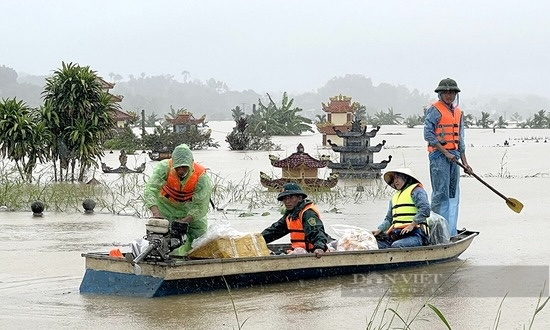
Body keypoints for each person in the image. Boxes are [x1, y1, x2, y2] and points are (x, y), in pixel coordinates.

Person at [424, 78, 473, 236]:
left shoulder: (458, 112)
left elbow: (461, 139)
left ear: (456, 94)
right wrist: (445, 152)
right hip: (439, 156)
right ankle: (437, 232)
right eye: (445, 92)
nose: (448, 95)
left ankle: (450, 231)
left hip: (455, 156)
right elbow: (428, 135)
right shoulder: (434, 110)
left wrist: (465, 163)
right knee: (440, 194)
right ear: (440, 94)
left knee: (453, 194)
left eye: (451, 92)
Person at [144, 144, 212, 256]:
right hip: (166, 210)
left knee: (200, 244)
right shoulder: (163, 168)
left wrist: (186, 220)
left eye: (184, 167)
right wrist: (156, 213)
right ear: (173, 163)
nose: (180, 171)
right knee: (166, 245)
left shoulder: (201, 176)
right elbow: (150, 189)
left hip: (191, 213)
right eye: (177, 167)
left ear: (191, 163)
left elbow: (201, 204)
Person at [261, 183, 329, 257]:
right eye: (285, 198)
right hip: (299, 252)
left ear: (300, 198)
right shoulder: (290, 215)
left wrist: (319, 247)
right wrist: (258, 239)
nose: (287, 201)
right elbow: (275, 230)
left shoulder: (307, 213)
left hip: (311, 253)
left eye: (291, 197)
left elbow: (317, 232)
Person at [372, 168, 430, 249]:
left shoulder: (417, 191)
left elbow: (425, 209)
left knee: (396, 245)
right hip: (397, 234)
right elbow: (389, 219)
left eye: (398, 177)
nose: (395, 181)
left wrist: (412, 225)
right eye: (394, 178)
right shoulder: (395, 197)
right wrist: (379, 229)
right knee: (374, 243)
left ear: (406, 178)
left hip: (416, 234)